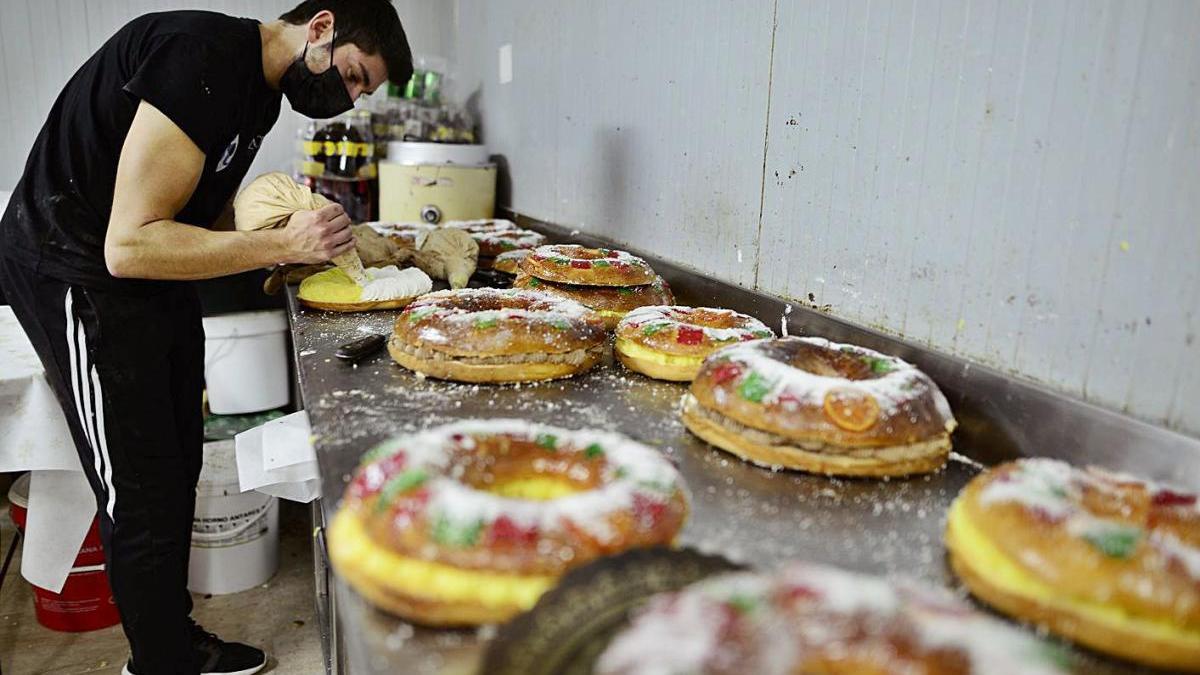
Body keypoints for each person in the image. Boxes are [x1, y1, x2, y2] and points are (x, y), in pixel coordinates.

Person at [0, 2, 412, 673]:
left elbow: (193, 210)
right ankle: (162, 661)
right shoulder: (201, 59)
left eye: (363, 89)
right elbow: (128, 245)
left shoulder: (259, 94)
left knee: (177, 457)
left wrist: (277, 244)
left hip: (140, 276)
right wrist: (279, 239)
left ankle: (171, 638)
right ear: (320, 28)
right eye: (356, 74)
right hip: (71, 266)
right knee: (135, 481)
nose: (352, 97)